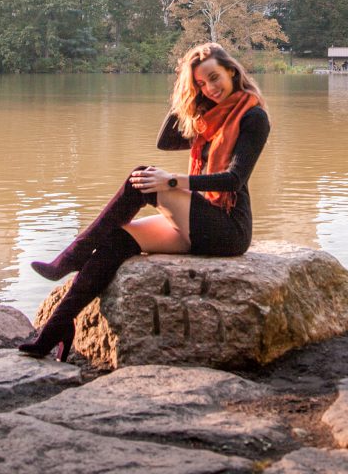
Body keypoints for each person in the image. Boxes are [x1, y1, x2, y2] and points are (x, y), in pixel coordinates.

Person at [18, 42, 270, 360]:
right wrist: (187, 92)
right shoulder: (209, 120)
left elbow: (234, 180)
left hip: (228, 227)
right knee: (117, 240)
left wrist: (173, 181)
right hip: (200, 220)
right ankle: (56, 329)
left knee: (143, 179)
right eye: (202, 84)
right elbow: (165, 141)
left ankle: (72, 256)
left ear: (232, 71)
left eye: (214, 78)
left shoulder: (253, 117)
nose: (211, 88)